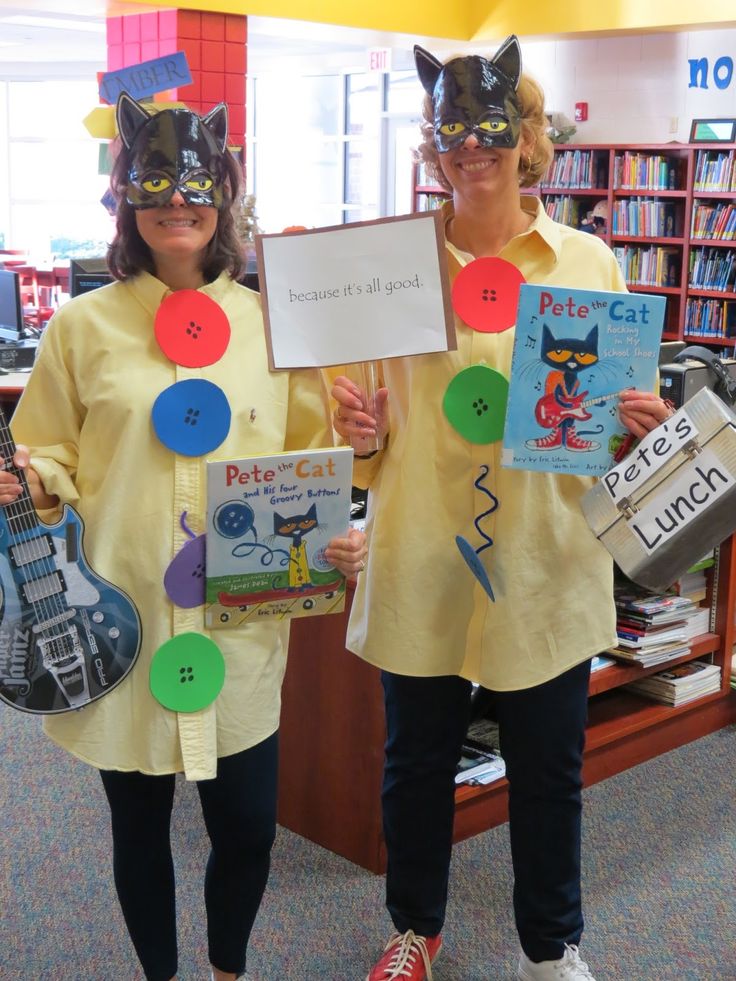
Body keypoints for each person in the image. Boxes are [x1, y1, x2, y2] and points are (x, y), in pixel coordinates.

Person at [0, 93, 365, 981]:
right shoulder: (83, 328)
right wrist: (30, 478)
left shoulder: (271, 327)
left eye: (197, 183)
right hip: (123, 615)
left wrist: (335, 532)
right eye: (154, 182)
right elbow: (47, 446)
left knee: (244, 825)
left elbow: (310, 459)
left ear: (225, 195)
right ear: (127, 197)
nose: (177, 201)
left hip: (237, 627)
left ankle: (227, 970)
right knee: (138, 829)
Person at [331, 36, 671, 981]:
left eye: (487, 131)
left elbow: (604, 431)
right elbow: (361, 444)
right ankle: (416, 928)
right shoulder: (392, 268)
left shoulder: (587, 260)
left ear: (525, 140)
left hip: (543, 557)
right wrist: (362, 428)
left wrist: (633, 428)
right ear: (431, 146)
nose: (466, 151)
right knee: (415, 766)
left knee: (549, 772)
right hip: (421, 556)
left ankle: (550, 945)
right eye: (449, 134)